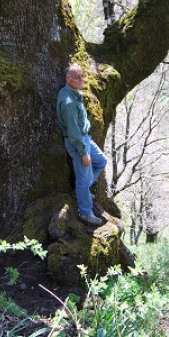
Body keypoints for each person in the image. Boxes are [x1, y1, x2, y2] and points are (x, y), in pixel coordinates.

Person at [56, 63, 107, 226]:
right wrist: (84, 152)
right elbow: (73, 132)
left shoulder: (73, 93)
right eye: (77, 77)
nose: (81, 80)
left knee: (101, 161)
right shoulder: (68, 101)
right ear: (68, 79)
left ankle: (81, 193)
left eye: (82, 76)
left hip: (85, 139)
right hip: (77, 143)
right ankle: (85, 213)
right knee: (83, 181)